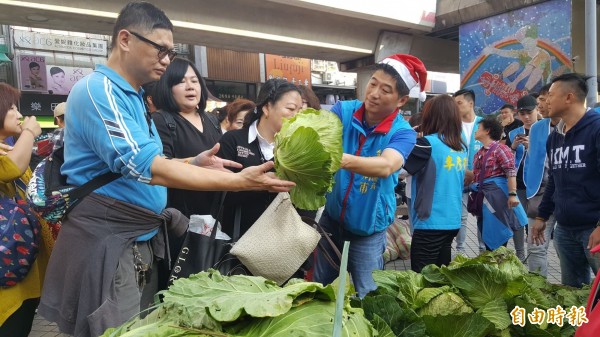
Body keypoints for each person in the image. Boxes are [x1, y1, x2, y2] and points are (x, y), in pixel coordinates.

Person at [37, 3, 294, 337]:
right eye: (161, 49)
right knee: (117, 330)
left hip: (134, 238)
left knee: (137, 328)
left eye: (171, 52)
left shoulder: (132, 96)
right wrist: (239, 181)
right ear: (126, 39)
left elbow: (139, 164)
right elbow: (143, 165)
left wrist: (193, 162)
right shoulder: (100, 90)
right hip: (109, 241)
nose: (166, 60)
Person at [313, 53, 422, 298]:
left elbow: (386, 165)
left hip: (368, 231)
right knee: (318, 287)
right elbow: (316, 136)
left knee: (369, 295)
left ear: (401, 99)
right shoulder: (343, 111)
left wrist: (340, 159)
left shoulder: (403, 132)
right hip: (331, 220)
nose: (373, 93)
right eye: (372, 83)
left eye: (385, 90)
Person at [532, 73, 600, 288]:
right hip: (564, 230)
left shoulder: (596, 128)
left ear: (569, 97)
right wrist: (542, 216)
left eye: (550, 95)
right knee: (572, 293)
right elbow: (554, 179)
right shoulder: (555, 137)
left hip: (594, 228)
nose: (545, 101)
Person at [217, 79, 302, 237]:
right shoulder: (233, 140)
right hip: (239, 240)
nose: (296, 116)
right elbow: (219, 194)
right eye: (291, 109)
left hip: (283, 241)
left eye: (300, 110)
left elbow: (305, 198)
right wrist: (260, 185)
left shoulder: (297, 148)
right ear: (267, 107)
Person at [0, 83, 51, 337]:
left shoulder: (9, 150)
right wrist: (29, 132)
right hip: (5, 279)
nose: (19, 114)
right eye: (11, 107)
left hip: (26, 270)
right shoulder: (11, 157)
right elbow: (11, 169)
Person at [152, 57, 222, 217]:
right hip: (180, 215)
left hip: (214, 212)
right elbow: (158, 166)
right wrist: (194, 162)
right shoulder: (161, 120)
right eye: (181, 82)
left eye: (194, 81)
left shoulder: (211, 119)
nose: (190, 87)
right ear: (168, 88)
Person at [404, 95, 466, 272]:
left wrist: (408, 137)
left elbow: (398, 168)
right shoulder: (460, 147)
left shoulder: (426, 144)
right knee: (441, 275)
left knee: (422, 279)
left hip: (430, 221)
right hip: (452, 221)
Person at [471, 117, 527, 251]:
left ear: (487, 131)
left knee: (499, 233)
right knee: (488, 232)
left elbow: (511, 172)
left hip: (498, 199)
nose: (475, 131)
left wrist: (512, 194)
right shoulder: (479, 153)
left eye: (478, 128)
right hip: (485, 198)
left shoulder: (500, 149)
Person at [524, 83, 557, 277]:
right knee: (536, 246)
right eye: (539, 102)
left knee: (566, 245)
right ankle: (539, 291)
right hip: (540, 191)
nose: (541, 105)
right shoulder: (537, 128)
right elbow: (531, 158)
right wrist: (531, 186)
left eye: (544, 100)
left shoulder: (585, 123)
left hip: (571, 193)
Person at [506, 95, 538, 262]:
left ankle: (534, 254)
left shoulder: (543, 129)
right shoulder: (513, 133)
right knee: (518, 220)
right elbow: (506, 159)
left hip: (537, 184)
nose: (526, 117)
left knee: (533, 221)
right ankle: (520, 255)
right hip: (517, 183)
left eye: (529, 112)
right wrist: (513, 147)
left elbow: (547, 156)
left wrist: (530, 146)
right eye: (522, 113)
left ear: (537, 109)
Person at [453, 88, 484, 254]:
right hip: (460, 179)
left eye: (459, 103)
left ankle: (483, 250)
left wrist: (476, 174)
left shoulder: (484, 124)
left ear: (470, 103)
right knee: (461, 217)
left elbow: (492, 150)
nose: (455, 107)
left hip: (482, 181)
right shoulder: (452, 126)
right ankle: (460, 252)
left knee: (483, 217)